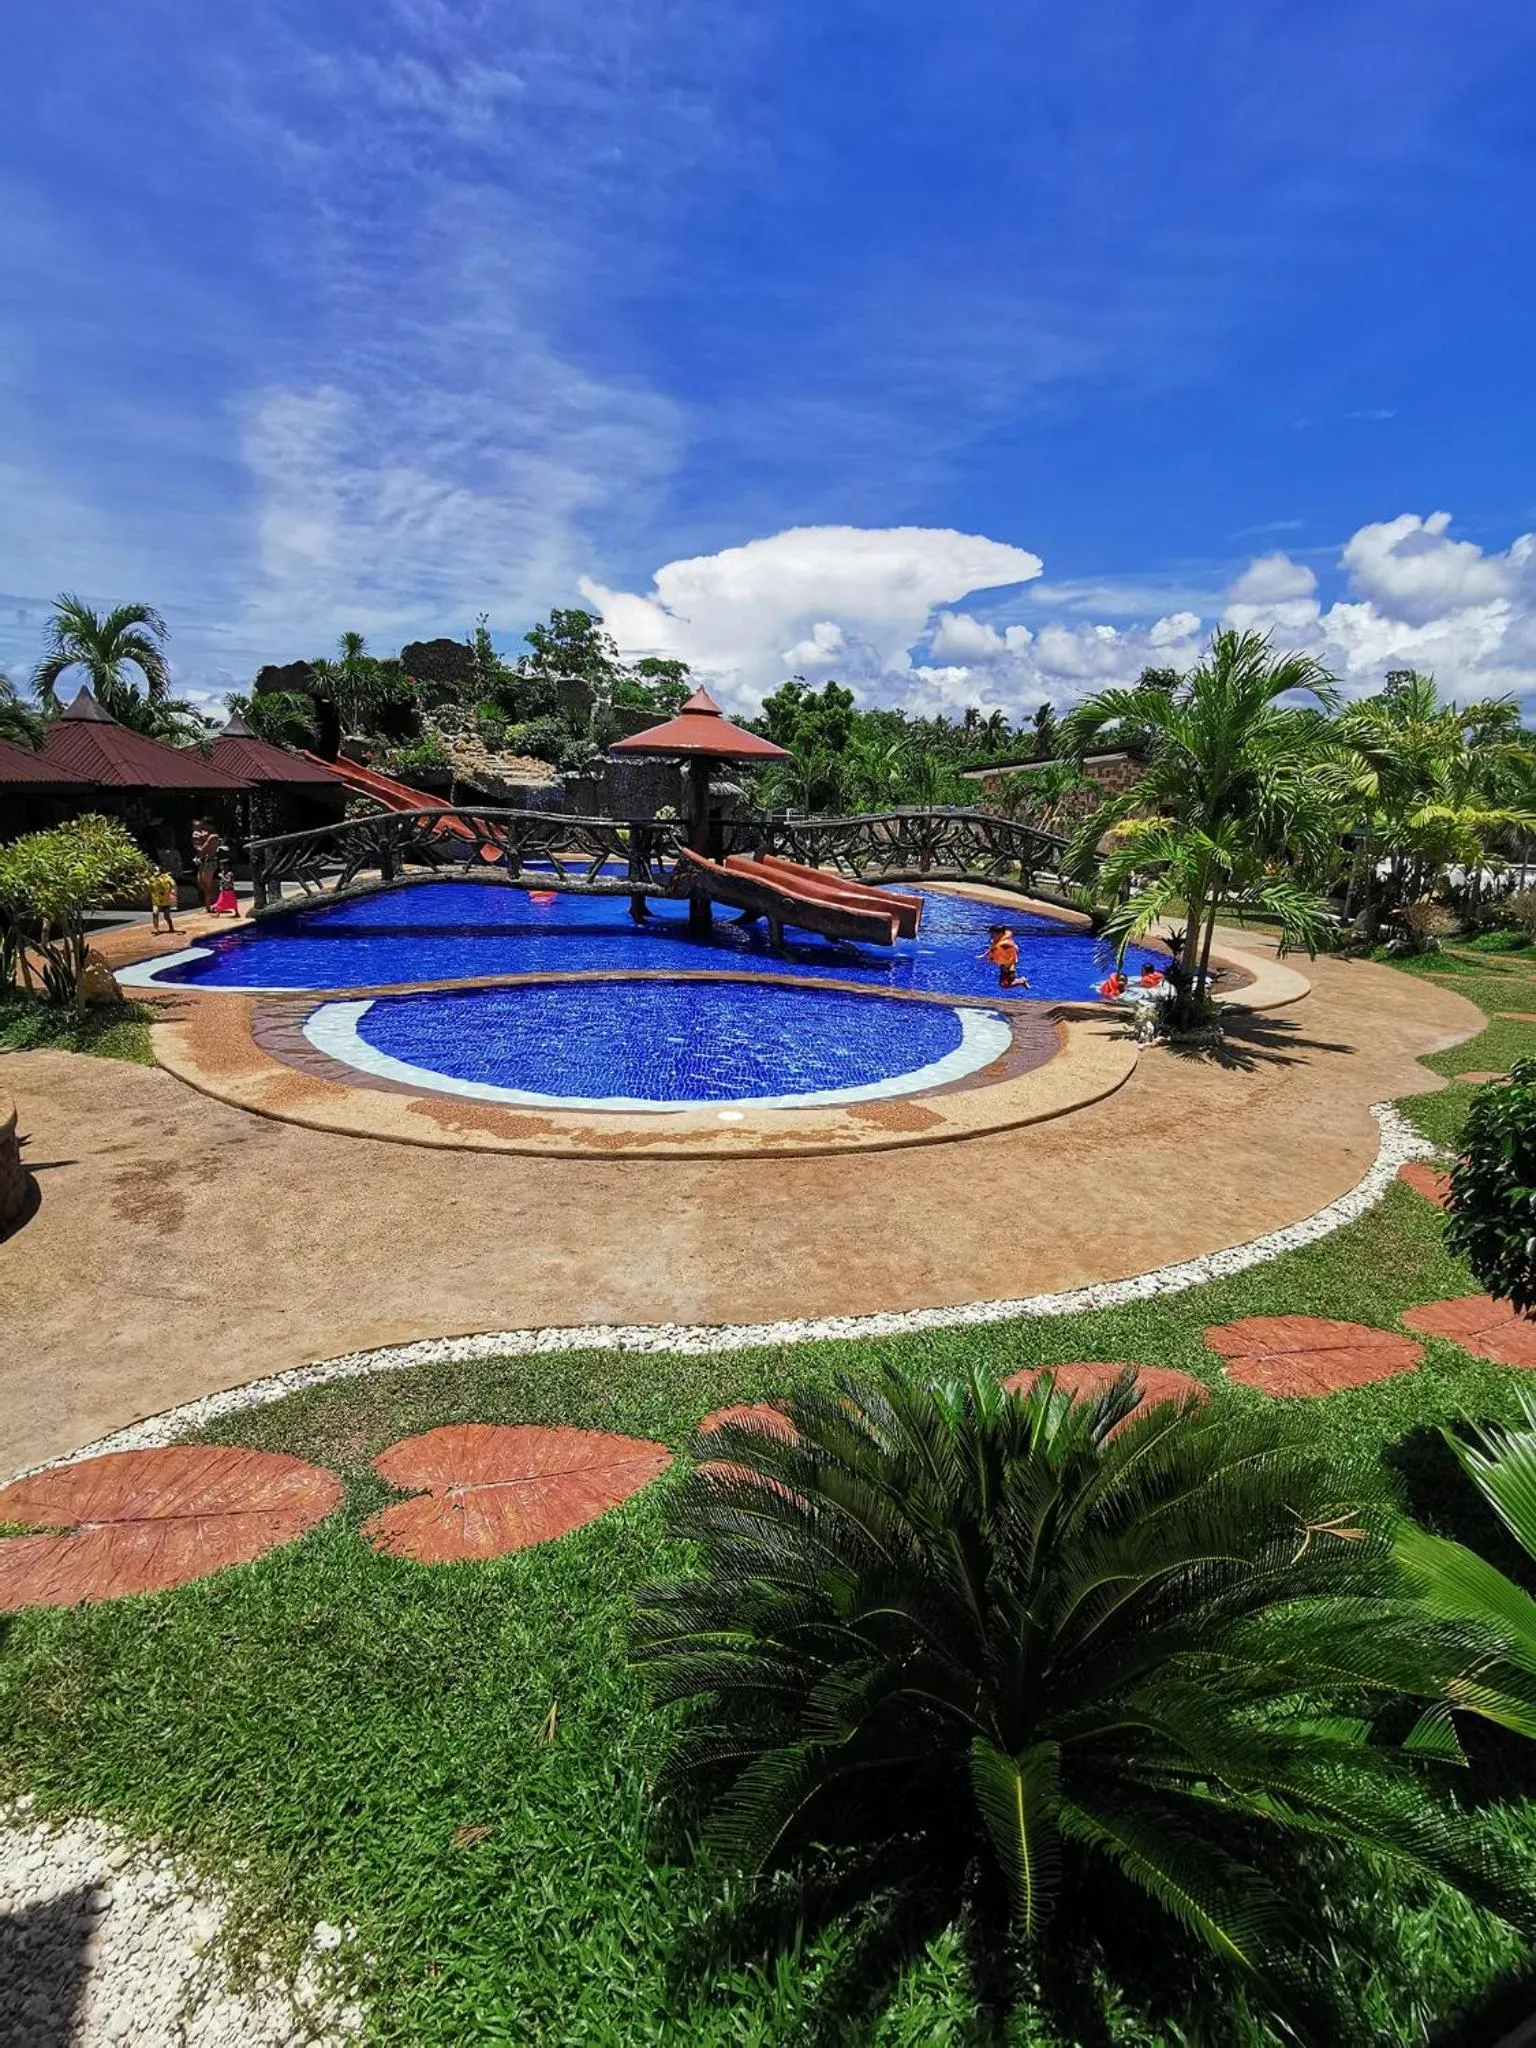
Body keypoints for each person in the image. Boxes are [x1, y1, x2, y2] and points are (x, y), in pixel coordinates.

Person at [982, 923, 1027, 992]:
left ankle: (1021, 981)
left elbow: (1015, 948)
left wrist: (1011, 964)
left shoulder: (1006, 944)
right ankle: (1020, 981)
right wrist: (985, 955)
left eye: (993, 934)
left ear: (999, 934)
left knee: (1004, 985)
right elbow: (993, 948)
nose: (991, 936)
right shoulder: (998, 941)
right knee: (1003, 983)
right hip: (1004, 965)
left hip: (1009, 966)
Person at [192, 820, 222, 913]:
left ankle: (208, 907)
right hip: (204, 862)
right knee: (200, 883)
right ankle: (212, 903)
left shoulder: (213, 836)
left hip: (210, 862)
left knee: (206, 885)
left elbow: (204, 848)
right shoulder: (206, 836)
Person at [148, 868, 178, 934]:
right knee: (155, 913)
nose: (154, 872)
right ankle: (156, 929)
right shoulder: (151, 878)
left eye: (156, 870)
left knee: (166, 916)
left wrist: (173, 890)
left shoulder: (166, 877)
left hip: (166, 900)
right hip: (156, 900)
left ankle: (171, 927)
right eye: (153, 871)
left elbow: (173, 884)